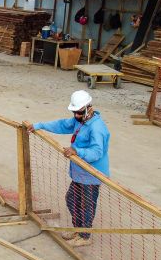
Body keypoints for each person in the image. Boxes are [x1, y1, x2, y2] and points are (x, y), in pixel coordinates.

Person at [28, 90, 110, 247]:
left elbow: (97, 152)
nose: (76, 116)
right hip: (79, 173)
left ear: (88, 108)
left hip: (91, 174)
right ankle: (79, 229)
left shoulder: (96, 128)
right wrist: (39, 126)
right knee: (72, 200)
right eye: (74, 113)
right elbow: (62, 125)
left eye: (78, 113)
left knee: (87, 205)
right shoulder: (80, 121)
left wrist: (77, 151)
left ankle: (85, 236)